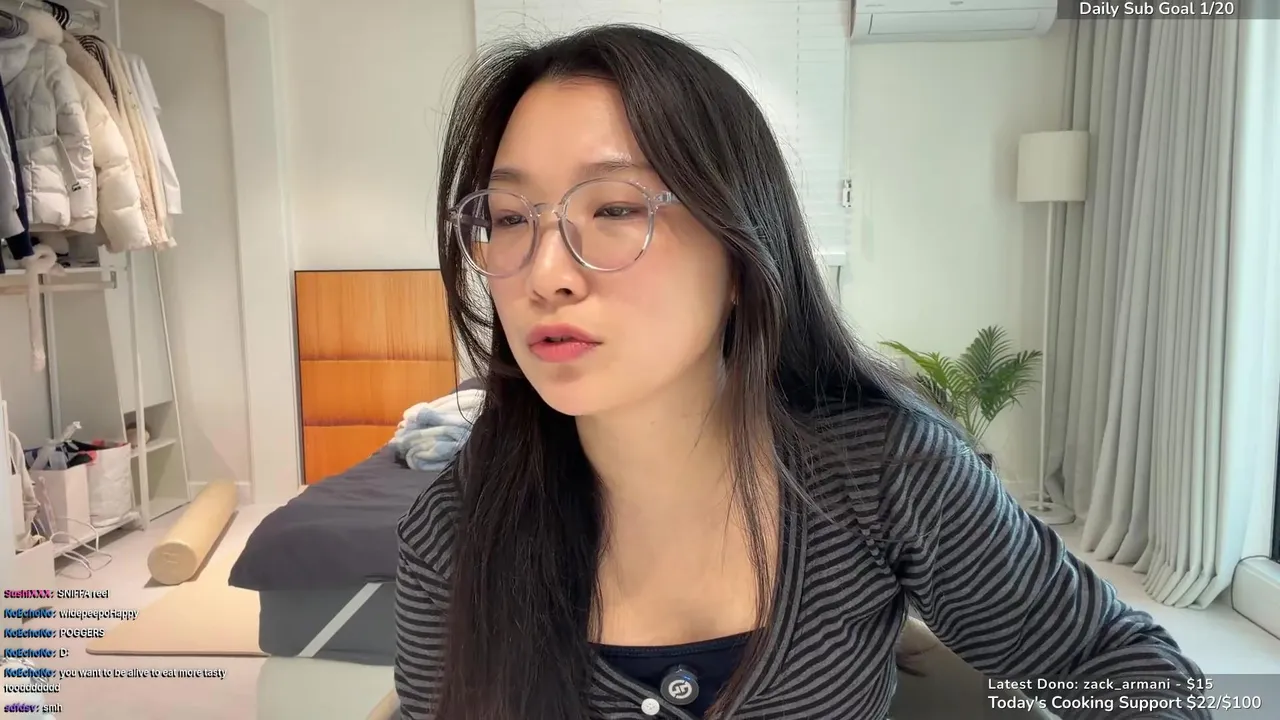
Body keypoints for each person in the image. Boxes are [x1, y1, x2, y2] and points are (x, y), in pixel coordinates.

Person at [394, 24, 1206, 720]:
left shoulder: (883, 474)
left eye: (613, 209)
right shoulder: (456, 532)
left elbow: (1124, 666)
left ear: (740, 253)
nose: (543, 275)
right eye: (508, 218)